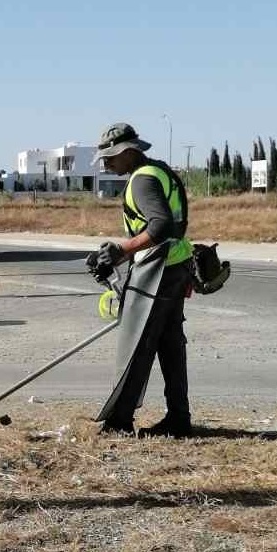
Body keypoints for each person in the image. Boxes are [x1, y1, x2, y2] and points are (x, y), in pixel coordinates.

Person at [87, 122, 196, 438]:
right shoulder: (160, 171)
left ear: (129, 152)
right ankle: (179, 418)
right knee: (170, 344)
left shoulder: (141, 181)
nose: (107, 163)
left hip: (159, 269)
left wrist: (121, 250)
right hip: (176, 263)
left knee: (138, 341)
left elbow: (160, 226)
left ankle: (119, 421)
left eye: (111, 157)